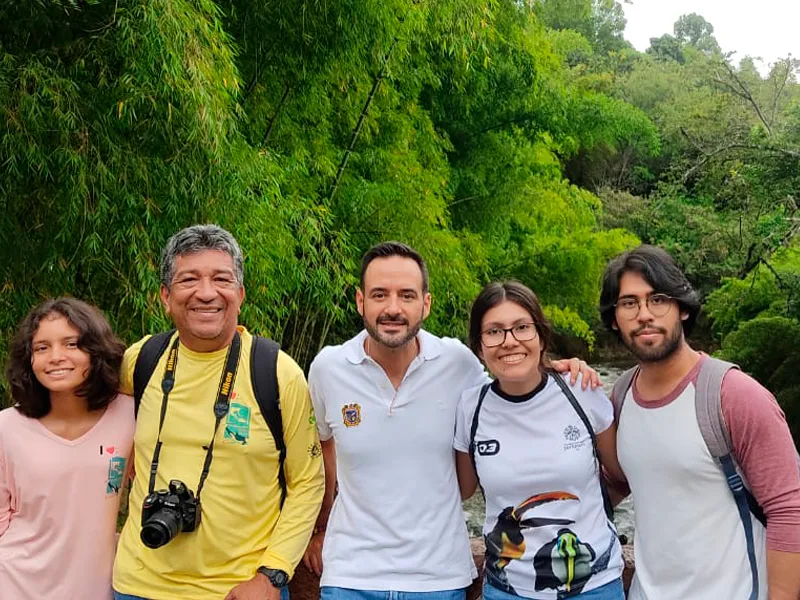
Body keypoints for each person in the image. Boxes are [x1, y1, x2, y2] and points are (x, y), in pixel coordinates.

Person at [305, 242, 600, 600]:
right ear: (359, 301)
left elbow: (509, 384)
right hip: (349, 575)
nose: (393, 308)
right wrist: (320, 525)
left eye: (407, 295)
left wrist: (555, 369)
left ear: (425, 304)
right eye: (379, 294)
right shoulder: (328, 368)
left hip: (439, 577)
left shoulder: (457, 363)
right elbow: (324, 445)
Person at [112, 225, 324, 600]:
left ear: (240, 294)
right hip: (138, 586)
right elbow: (78, 418)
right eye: (188, 279)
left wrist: (272, 574)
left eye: (221, 279)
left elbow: (307, 482)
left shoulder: (276, 372)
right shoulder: (141, 361)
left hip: (239, 590)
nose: (206, 293)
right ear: (165, 296)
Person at [599, 244, 800, 600]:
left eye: (657, 299)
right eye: (629, 303)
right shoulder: (620, 395)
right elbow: (614, 483)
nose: (645, 314)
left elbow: (789, 508)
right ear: (615, 318)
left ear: (682, 309)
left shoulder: (732, 395)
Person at [454, 281, 625, 600]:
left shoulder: (581, 392)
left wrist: (586, 511)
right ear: (479, 346)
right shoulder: (470, 409)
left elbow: (621, 474)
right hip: (507, 588)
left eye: (522, 327)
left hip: (594, 587)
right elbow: (462, 491)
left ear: (541, 336)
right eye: (494, 332)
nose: (509, 341)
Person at [0, 298, 133, 599]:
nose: (56, 357)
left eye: (72, 344)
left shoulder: (129, 415)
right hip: (16, 585)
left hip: (97, 586)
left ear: (96, 351)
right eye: (41, 348)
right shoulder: (6, 427)